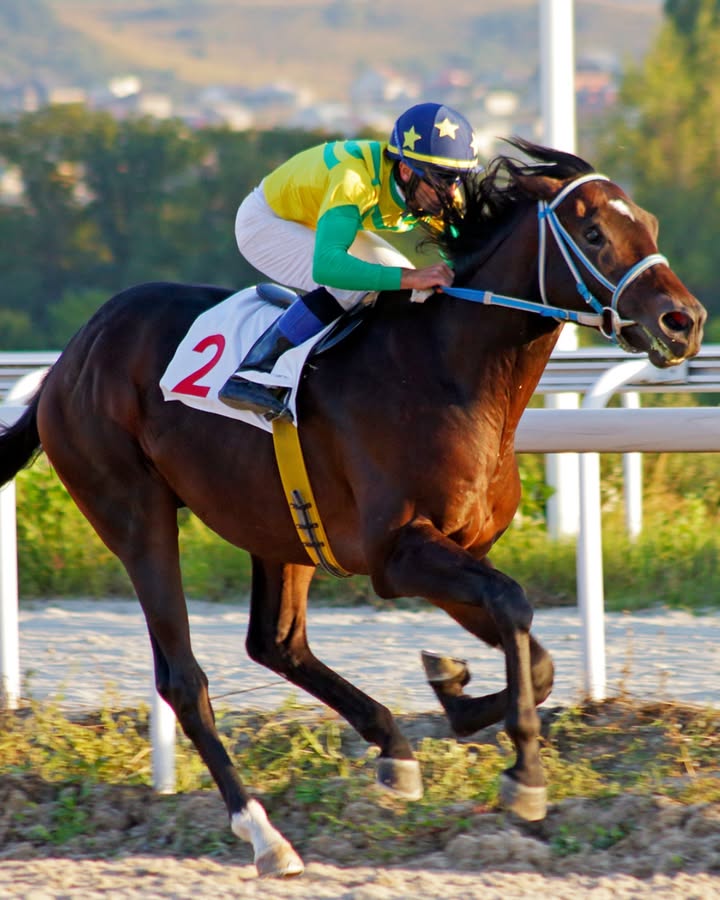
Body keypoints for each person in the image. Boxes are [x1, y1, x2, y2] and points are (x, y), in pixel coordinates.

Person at [218, 101, 482, 420]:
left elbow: (466, 255)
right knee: (356, 287)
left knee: (405, 287)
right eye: (441, 179)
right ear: (406, 170)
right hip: (266, 223)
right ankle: (252, 373)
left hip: (320, 219)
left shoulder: (439, 191)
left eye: (457, 178)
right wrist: (411, 277)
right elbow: (328, 266)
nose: (450, 191)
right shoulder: (354, 180)